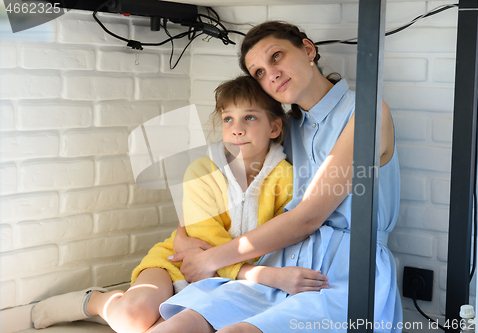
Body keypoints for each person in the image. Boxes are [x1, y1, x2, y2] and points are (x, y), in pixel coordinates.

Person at [151, 21, 402, 333]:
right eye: (258, 72)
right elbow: (221, 174)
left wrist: (213, 259)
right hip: (281, 262)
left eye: (277, 56)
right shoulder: (286, 126)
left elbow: (309, 217)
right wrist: (183, 234)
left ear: (308, 50)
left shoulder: (367, 113)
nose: (270, 74)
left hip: (344, 270)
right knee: (178, 324)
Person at [31, 75, 329, 333]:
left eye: (250, 118)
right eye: (228, 119)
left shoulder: (287, 178)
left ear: (274, 128)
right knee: (132, 318)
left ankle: (142, 313)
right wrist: (256, 272)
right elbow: (199, 244)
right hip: (180, 261)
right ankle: (96, 301)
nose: (237, 129)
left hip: (237, 279)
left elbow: (283, 241)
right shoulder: (201, 171)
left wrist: (255, 274)